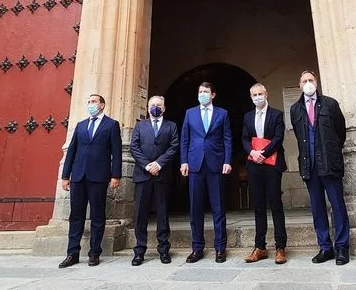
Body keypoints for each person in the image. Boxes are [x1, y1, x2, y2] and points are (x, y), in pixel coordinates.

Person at [289, 70, 350, 265]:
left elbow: (340, 132)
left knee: (337, 205)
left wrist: (331, 150)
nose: (308, 83)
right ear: (300, 85)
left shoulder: (330, 104)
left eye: (311, 80)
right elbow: (299, 135)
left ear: (316, 83)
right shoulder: (295, 109)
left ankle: (342, 247)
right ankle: (325, 247)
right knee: (317, 208)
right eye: (304, 80)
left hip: (329, 163)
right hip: (310, 165)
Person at [59, 94, 122, 268]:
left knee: (97, 215)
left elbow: (116, 152)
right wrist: (65, 176)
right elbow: (72, 151)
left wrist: (116, 175)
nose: (90, 104)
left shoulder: (111, 125)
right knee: (76, 215)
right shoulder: (80, 125)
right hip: (78, 176)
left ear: (102, 105)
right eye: (89, 102)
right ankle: (72, 253)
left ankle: (94, 253)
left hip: (99, 176)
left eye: (94, 102)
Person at [180, 81, 233, 263]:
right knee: (195, 208)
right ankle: (197, 248)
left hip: (215, 164)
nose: (202, 94)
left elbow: (227, 139)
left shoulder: (222, 113)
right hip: (195, 164)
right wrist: (184, 161)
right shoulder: (190, 113)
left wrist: (227, 161)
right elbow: (184, 139)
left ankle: (220, 248)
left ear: (213, 95)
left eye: (205, 91)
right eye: (200, 91)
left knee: (218, 207)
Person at [129, 95, 179, 266]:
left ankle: (164, 250)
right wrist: (147, 165)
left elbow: (174, 147)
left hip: (162, 175)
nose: (155, 108)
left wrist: (158, 164)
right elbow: (134, 147)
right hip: (143, 175)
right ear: (147, 107)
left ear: (164, 108)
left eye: (158, 105)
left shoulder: (171, 126)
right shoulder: (140, 126)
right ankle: (139, 251)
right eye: (152, 105)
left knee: (162, 214)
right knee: (140, 214)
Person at [242, 83, 288, 265]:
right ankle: (260, 247)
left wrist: (264, 153)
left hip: (272, 164)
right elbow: (245, 138)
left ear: (266, 94)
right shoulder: (247, 116)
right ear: (250, 96)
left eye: (260, 94)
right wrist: (252, 153)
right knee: (259, 206)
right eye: (254, 95)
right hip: (254, 165)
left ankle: (280, 247)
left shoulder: (276, 114)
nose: (258, 97)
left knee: (276, 204)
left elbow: (278, 137)